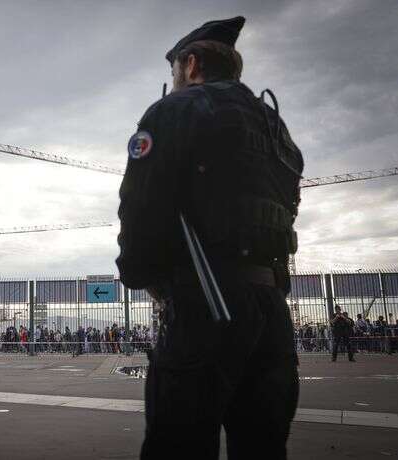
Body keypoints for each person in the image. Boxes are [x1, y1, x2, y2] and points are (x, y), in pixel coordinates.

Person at [116, 16, 303, 459]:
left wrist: (146, 279)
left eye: (175, 72)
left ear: (192, 63)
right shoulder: (276, 127)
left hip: (204, 304)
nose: (174, 81)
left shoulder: (174, 110)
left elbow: (140, 206)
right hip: (271, 308)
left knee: (177, 445)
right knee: (262, 445)